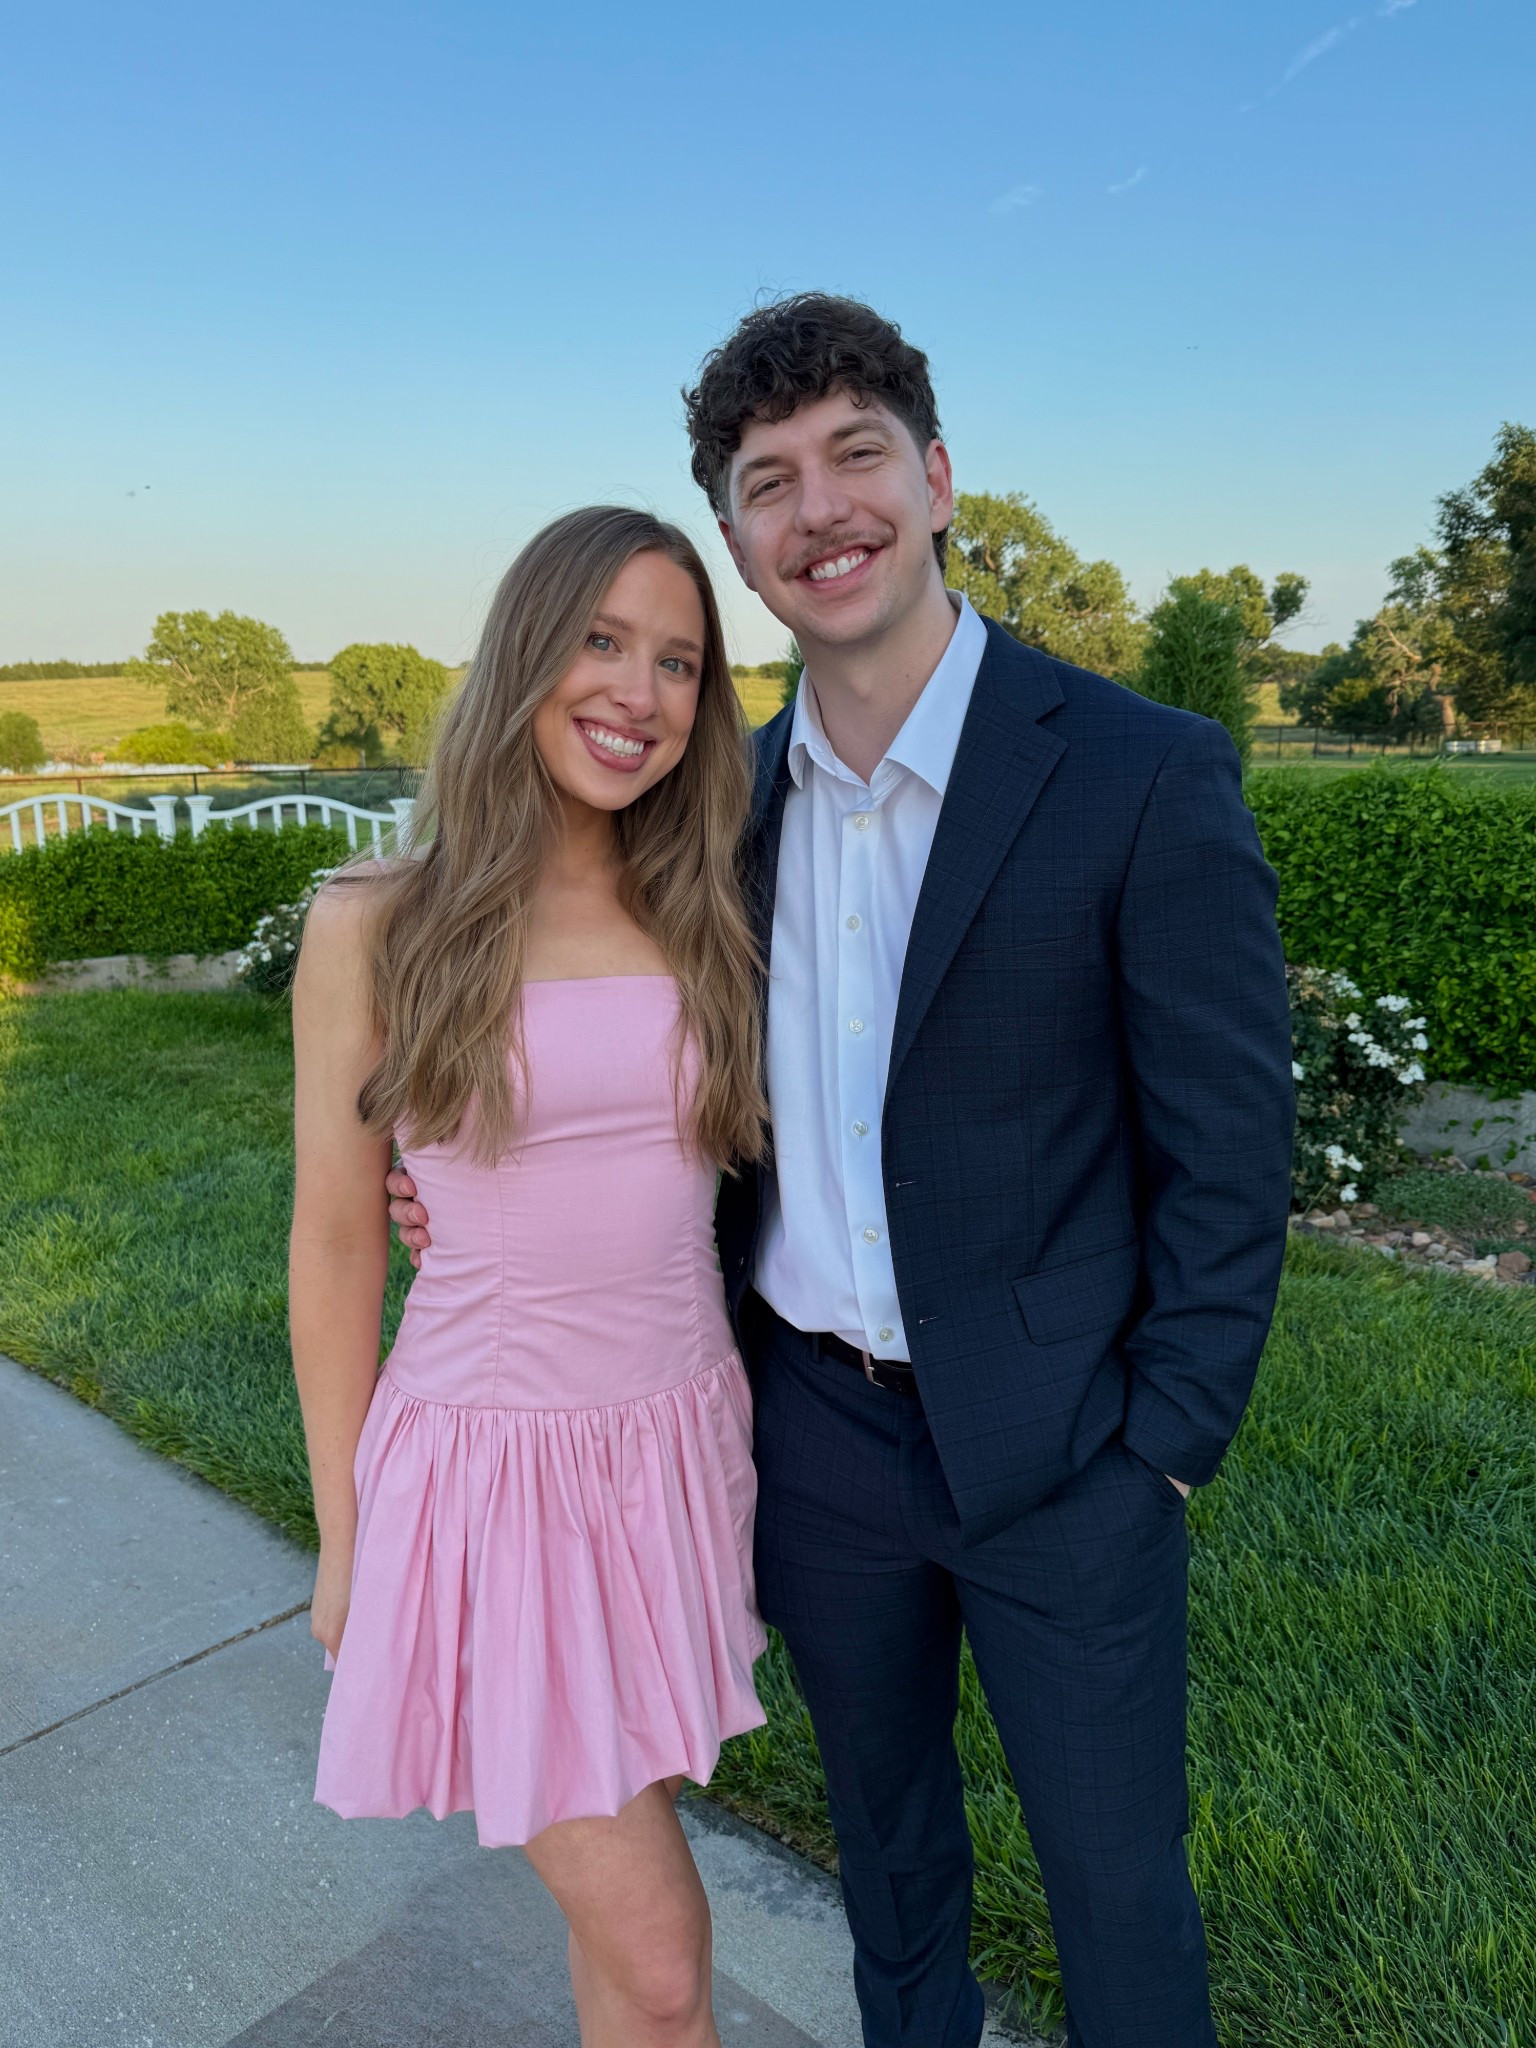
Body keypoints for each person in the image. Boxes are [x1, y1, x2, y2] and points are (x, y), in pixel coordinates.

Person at [391, 295, 1297, 2048]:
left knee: (1118, 1897)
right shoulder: (707, 814)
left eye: (856, 455)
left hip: (1071, 1455)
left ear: (940, 476)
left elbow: (1229, 1151)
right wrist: (436, 1193)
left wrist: (1166, 1450)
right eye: (767, 481)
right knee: (891, 1877)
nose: (820, 508)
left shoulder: (1137, 772)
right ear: (738, 542)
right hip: (815, 1446)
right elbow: (557, 1040)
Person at [289, 505, 770, 2048]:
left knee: (616, 1957)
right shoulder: (382, 921)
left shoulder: (702, 906)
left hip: (675, 1454)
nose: (640, 692)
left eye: (681, 663)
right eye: (603, 641)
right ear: (527, 652)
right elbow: (337, 1235)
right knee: (666, 1953)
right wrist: (345, 1539)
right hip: (498, 1484)